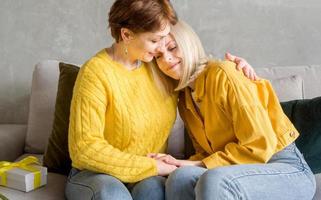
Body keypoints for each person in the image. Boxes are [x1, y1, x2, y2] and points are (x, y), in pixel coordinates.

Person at [65, 0, 255, 199]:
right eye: (155, 40)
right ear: (126, 35)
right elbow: (85, 148)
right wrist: (153, 166)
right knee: (111, 194)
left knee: (155, 191)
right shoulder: (96, 73)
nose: (161, 48)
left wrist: (234, 68)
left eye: (164, 38)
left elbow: (195, 72)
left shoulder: (159, 66)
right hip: (97, 174)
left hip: (147, 177)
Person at [151, 20, 316, 200]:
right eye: (158, 56)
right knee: (179, 178)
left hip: (283, 167)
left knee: (215, 181)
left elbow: (259, 146)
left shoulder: (224, 74)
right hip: (237, 170)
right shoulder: (185, 98)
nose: (166, 59)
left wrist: (192, 164)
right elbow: (207, 154)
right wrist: (175, 164)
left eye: (172, 47)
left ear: (189, 43)